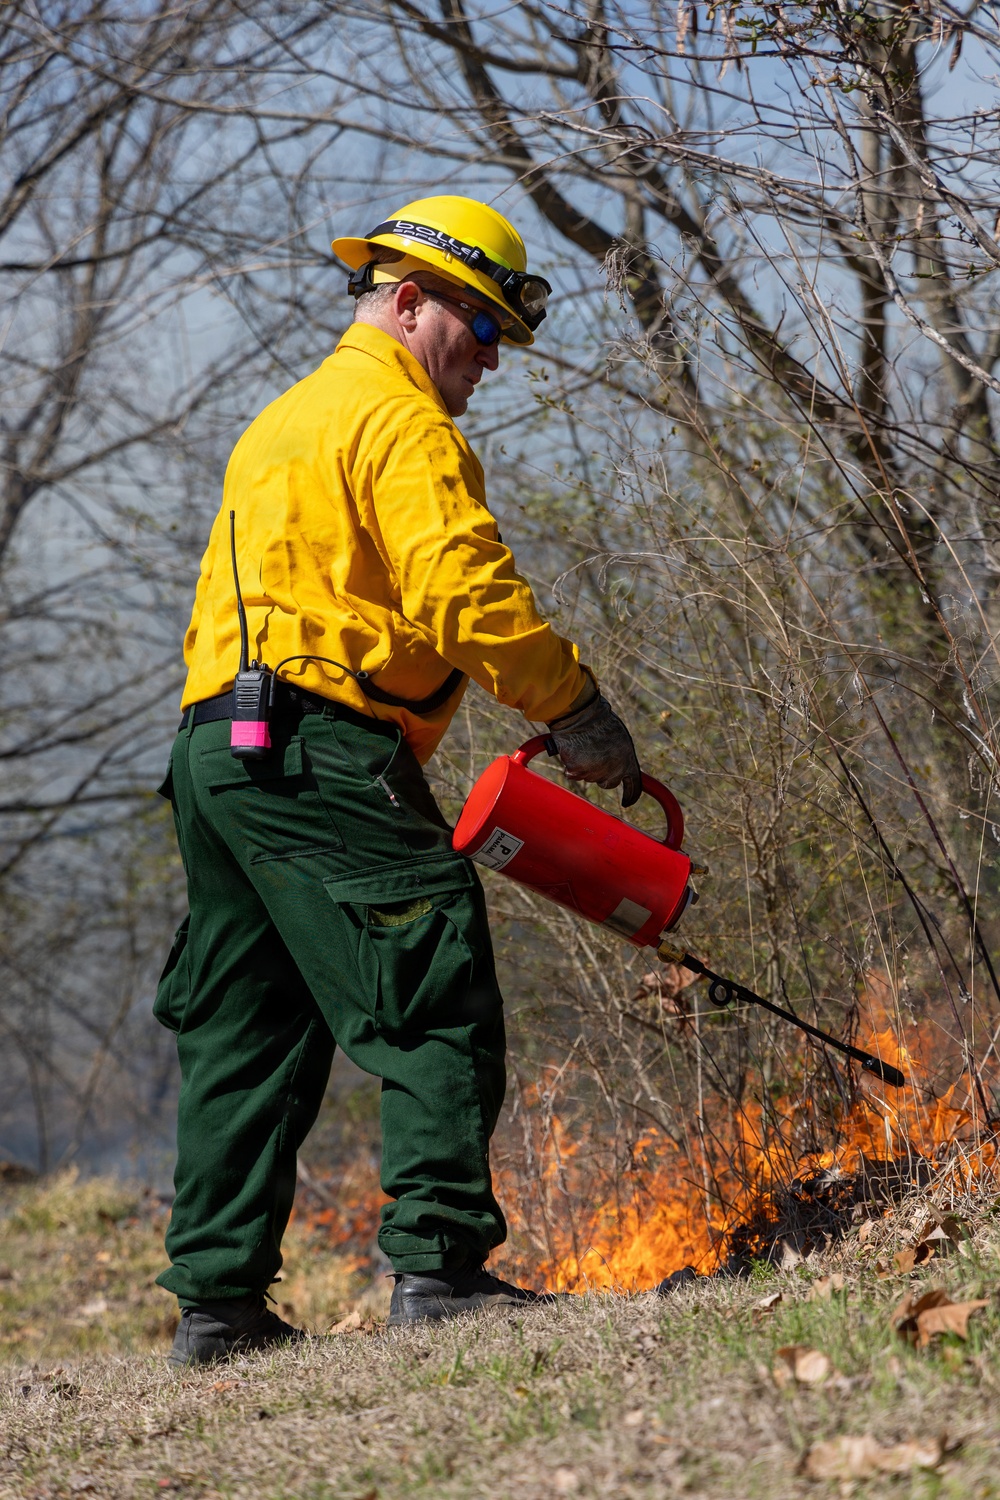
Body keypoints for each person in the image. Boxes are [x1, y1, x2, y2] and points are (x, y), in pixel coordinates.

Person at [154, 195, 641, 1367]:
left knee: (248, 1022)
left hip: (217, 754)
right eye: (478, 332)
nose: (486, 364)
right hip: (320, 746)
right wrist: (575, 706)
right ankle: (439, 1269)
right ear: (408, 299)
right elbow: (464, 597)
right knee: (429, 977)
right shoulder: (399, 422)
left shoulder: (284, 419)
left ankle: (216, 1307)